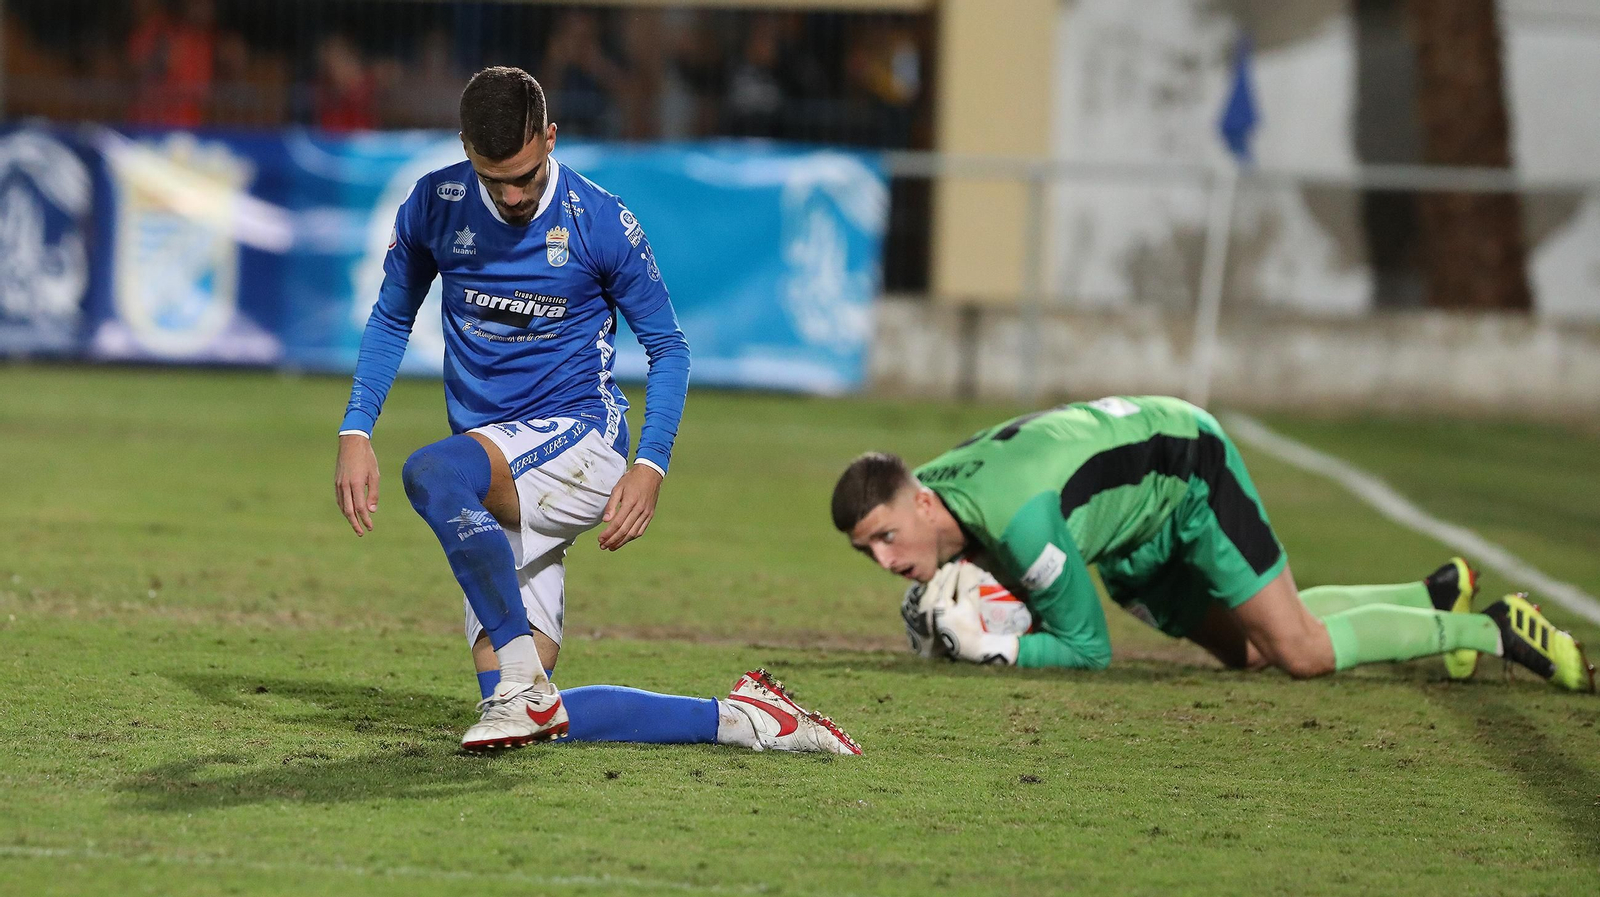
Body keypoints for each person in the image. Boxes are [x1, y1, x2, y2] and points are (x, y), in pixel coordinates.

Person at [334, 66, 860, 755]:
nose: (516, 194)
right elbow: (391, 316)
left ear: (551, 138)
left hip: (582, 441)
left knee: (431, 473)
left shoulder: (600, 221)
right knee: (527, 708)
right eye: (498, 180)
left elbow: (669, 347)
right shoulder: (437, 203)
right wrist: (355, 426)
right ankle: (747, 718)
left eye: (527, 173)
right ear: (467, 150)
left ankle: (523, 675)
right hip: (496, 464)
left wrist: (651, 462)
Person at [833, 395, 1594, 692]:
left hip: (1184, 470)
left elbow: (1088, 647)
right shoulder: (933, 496)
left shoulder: (1021, 522)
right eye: (868, 550)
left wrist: (999, 648)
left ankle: (1489, 626)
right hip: (1124, 525)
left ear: (923, 503)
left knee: (1301, 654)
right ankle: (1429, 596)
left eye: (888, 538)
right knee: (1253, 648)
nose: (886, 562)